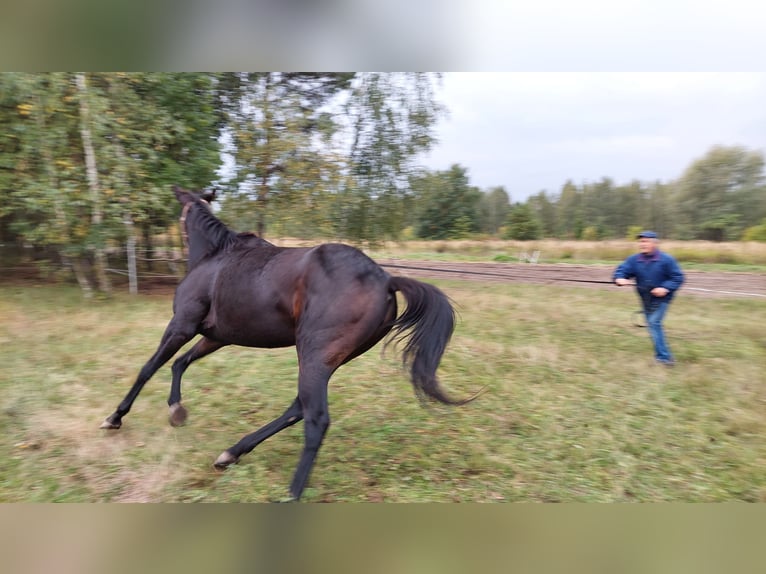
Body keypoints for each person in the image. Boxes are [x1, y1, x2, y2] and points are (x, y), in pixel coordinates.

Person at [613, 231, 685, 366]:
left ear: (654, 243)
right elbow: (622, 271)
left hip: (662, 299)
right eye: (641, 241)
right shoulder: (634, 260)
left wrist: (665, 288)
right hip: (645, 298)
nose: (642, 244)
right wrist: (619, 278)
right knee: (652, 326)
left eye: (646, 241)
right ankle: (662, 355)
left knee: (654, 323)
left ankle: (665, 358)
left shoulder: (666, 260)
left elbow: (678, 278)